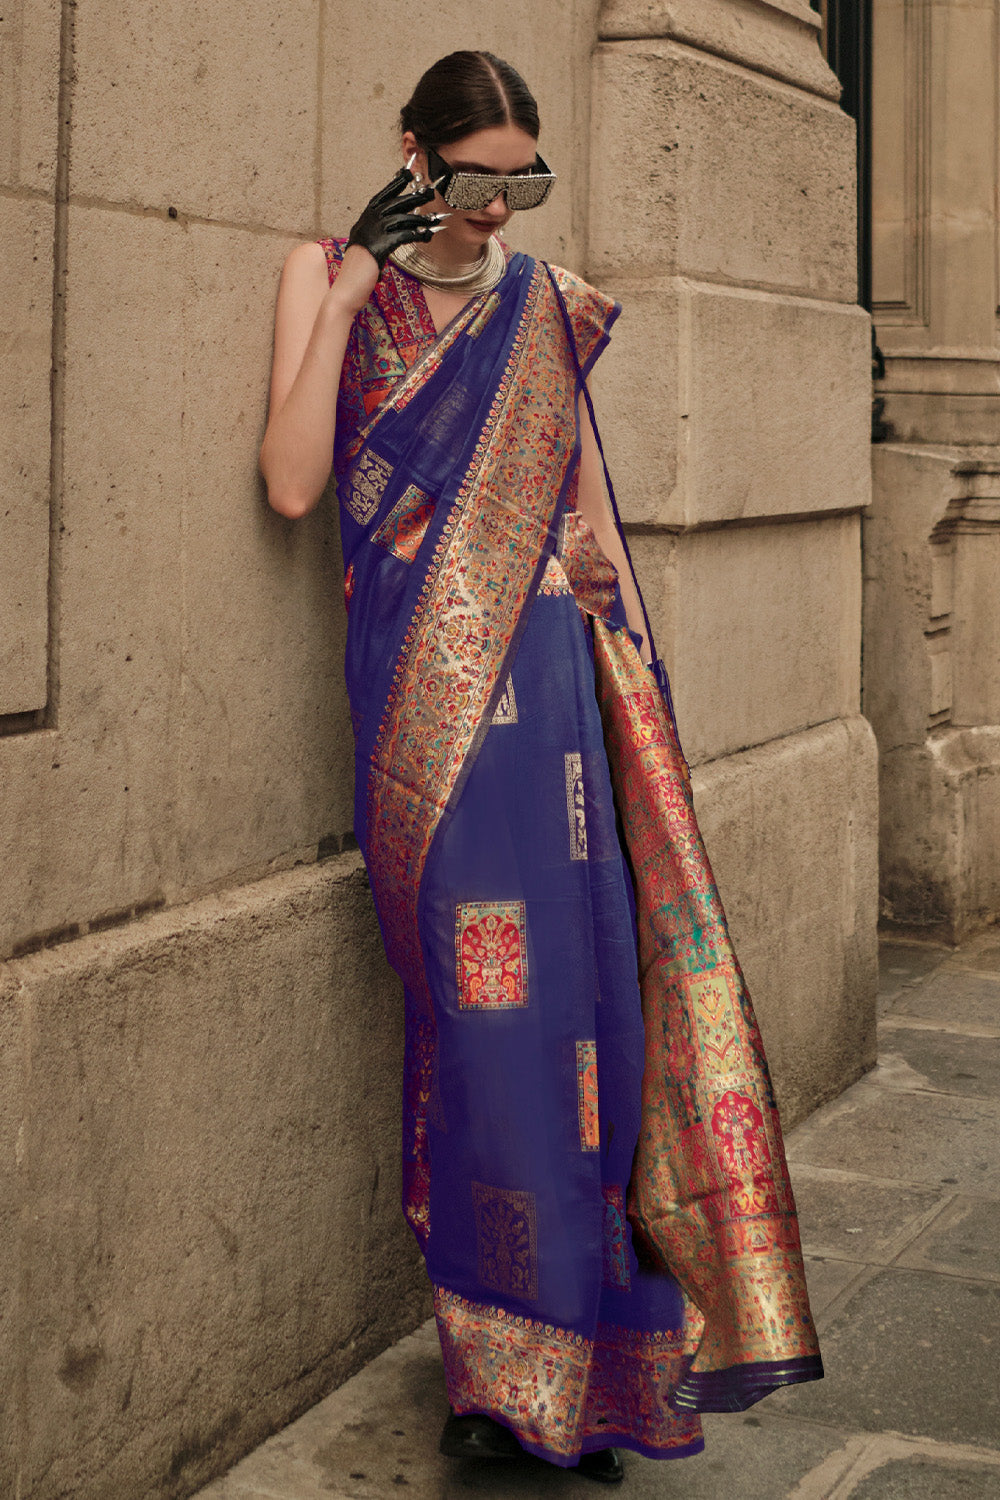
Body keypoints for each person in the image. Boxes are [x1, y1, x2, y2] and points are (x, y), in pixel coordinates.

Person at [260, 50, 823, 1485]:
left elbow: (583, 514)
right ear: (413, 156)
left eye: (527, 179)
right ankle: (493, 1371)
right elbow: (289, 482)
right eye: (477, 178)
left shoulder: (546, 307)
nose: (501, 209)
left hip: (558, 707)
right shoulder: (327, 275)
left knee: (593, 1034)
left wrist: (642, 708)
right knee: (482, 1028)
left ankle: (598, 1367)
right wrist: (341, 295)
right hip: (425, 718)